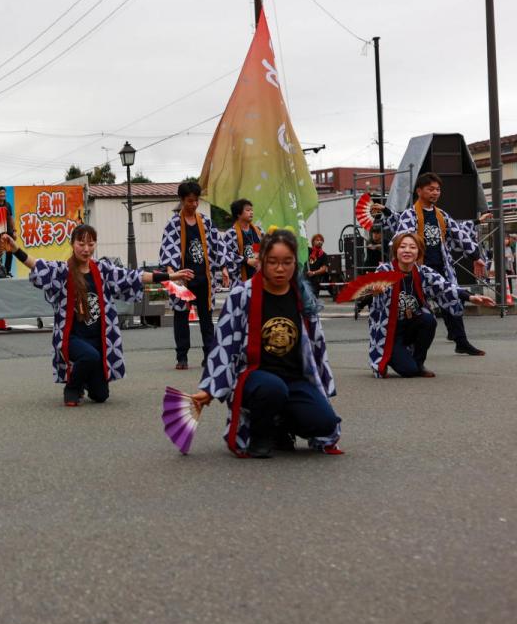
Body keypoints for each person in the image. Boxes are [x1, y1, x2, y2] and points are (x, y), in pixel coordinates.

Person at [1, 225, 193, 406]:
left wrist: (170, 277)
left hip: (98, 338)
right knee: (89, 356)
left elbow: (133, 276)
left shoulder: (103, 270)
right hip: (72, 337)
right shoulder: (62, 271)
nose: (86, 249)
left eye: (91, 244)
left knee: (101, 396)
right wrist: (16, 250)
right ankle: (72, 387)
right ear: (72, 244)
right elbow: (37, 265)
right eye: (81, 244)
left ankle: (85, 380)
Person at [192, 229, 343, 459]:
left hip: (294, 378)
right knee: (272, 388)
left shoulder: (303, 296)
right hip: (254, 377)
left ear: (296, 263)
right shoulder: (243, 294)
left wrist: (322, 386)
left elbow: (317, 347)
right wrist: (210, 388)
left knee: (325, 422)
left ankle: (281, 425)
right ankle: (260, 435)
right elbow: (224, 341)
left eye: (287, 262)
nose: (280, 268)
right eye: (273, 262)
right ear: (261, 261)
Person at [373, 172, 488, 355]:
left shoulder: (441, 215)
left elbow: (459, 234)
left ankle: (461, 341)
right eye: (430, 189)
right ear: (419, 191)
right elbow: (399, 240)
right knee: (414, 308)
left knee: (452, 299)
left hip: (441, 267)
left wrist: (476, 256)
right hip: (418, 270)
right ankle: (407, 347)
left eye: (438, 189)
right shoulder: (410, 216)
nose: (435, 193)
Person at [366, 232, 495, 378]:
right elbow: (373, 285)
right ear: (396, 250)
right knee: (408, 371)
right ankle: (389, 356)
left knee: (428, 320)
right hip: (389, 331)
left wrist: (471, 297)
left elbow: (445, 286)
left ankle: (418, 363)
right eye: (402, 247)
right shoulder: (384, 270)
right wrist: (375, 290)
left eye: (412, 247)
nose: (407, 250)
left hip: (411, 324)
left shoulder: (423, 272)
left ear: (418, 252)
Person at [159, 181, 229, 370]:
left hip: (204, 275)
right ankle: (182, 356)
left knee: (206, 316)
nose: (194, 204)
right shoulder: (173, 224)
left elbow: (217, 244)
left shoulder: (205, 221)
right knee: (181, 315)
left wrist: (223, 267)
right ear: (182, 200)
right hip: (182, 277)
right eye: (190, 201)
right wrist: (171, 271)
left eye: (196, 200)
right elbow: (168, 247)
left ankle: (209, 355)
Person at [222, 198, 262, 282]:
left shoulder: (258, 231)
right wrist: (246, 260)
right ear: (238, 214)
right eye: (248, 210)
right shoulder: (231, 233)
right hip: (240, 277)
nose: (251, 212)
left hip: (258, 274)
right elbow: (227, 254)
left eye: (252, 210)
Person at [305, 233, 330, 299]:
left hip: (315, 283)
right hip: (304, 280)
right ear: (313, 242)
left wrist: (313, 273)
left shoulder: (323, 255)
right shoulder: (307, 250)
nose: (319, 241)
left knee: (313, 302)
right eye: (317, 240)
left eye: (321, 240)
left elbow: (324, 268)